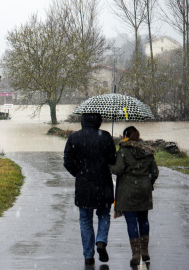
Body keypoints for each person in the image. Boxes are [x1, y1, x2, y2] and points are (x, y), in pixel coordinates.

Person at [64, 113, 117, 265]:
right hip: (103, 183)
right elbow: (113, 159)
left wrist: (79, 173)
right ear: (99, 121)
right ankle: (101, 241)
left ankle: (88, 255)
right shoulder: (105, 136)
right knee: (104, 214)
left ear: (82, 121)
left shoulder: (74, 137)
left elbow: (67, 161)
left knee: (85, 219)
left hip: (84, 185)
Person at [109, 126, 159, 266]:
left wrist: (109, 165)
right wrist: (148, 184)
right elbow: (154, 172)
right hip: (144, 190)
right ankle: (145, 251)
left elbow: (118, 170)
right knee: (144, 220)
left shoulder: (123, 151)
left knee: (132, 222)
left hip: (127, 192)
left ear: (125, 136)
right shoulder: (148, 151)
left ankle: (136, 253)